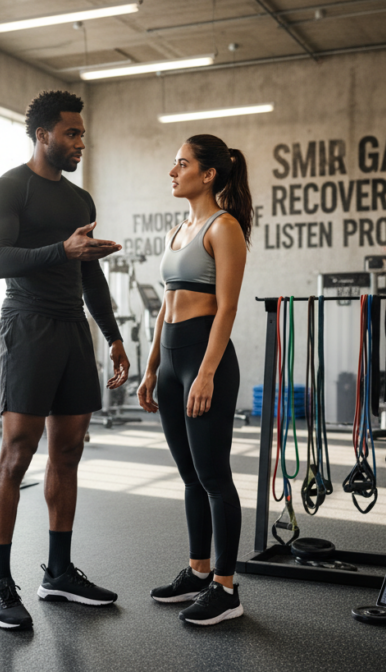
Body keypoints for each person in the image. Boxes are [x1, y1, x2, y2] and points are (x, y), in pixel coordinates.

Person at [0, 90, 129, 630]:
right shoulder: (8, 189)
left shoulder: (81, 201)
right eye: (71, 133)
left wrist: (111, 335)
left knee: (68, 451)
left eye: (82, 134)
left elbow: (89, 273)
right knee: (17, 453)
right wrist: (59, 251)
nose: (80, 143)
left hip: (73, 330)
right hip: (27, 325)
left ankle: (58, 572)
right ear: (42, 135)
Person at [137, 134, 251, 626]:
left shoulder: (224, 228)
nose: (172, 171)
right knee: (189, 476)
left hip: (208, 360)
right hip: (171, 362)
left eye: (181, 164)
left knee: (213, 476)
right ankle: (198, 571)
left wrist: (205, 372)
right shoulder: (178, 230)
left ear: (207, 174)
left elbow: (226, 307)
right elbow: (166, 304)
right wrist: (151, 366)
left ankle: (226, 587)